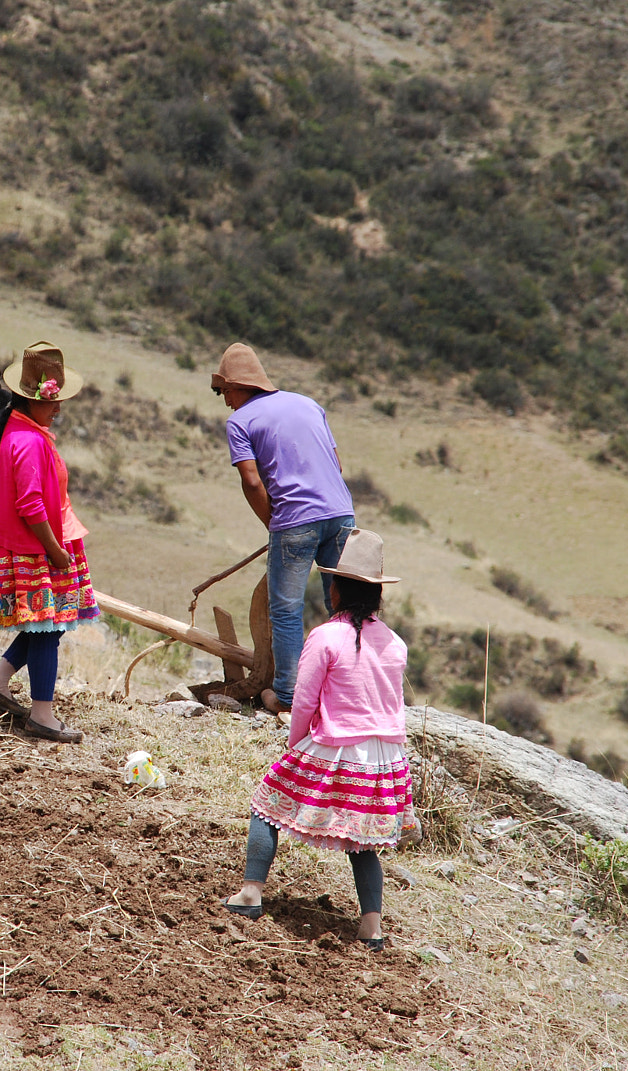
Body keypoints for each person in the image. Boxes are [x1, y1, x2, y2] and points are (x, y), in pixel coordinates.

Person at [222, 529, 416, 949]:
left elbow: (306, 701)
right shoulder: (396, 644)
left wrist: (295, 745)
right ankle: (372, 927)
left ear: (336, 590)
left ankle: (251, 892)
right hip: (386, 758)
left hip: (336, 746)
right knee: (361, 838)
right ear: (378, 595)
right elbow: (393, 706)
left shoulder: (325, 637)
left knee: (266, 800)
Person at [214, 342, 354, 715]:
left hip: (294, 521)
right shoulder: (308, 404)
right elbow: (336, 466)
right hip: (341, 513)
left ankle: (289, 697)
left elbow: (252, 482)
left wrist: (273, 523)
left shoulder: (240, 422)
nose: (224, 401)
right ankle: (346, 692)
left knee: (287, 611)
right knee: (343, 606)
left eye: (222, 391)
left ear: (236, 385)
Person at [0, 341, 100, 743]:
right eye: (53, 400)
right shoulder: (27, 442)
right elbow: (30, 504)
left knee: (48, 625)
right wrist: (54, 550)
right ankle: (42, 715)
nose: (58, 408)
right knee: (46, 630)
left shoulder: (11, 431)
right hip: (34, 552)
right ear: (32, 399)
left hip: (24, 546)